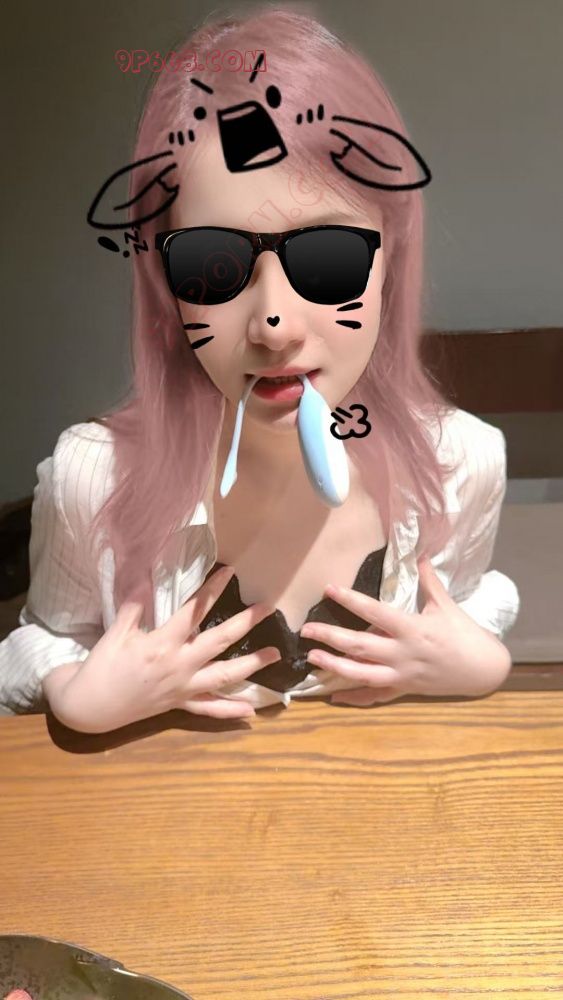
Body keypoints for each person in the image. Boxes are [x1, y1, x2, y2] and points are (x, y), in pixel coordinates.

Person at [0, 5, 520, 730]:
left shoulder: (460, 462)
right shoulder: (93, 479)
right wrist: (76, 694)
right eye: (213, 263)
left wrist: (481, 665)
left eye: (328, 257)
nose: (274, 324)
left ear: (390, 263)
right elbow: (40, 641)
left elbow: (468, 604)